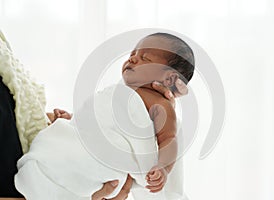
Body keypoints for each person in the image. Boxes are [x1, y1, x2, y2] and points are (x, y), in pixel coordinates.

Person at [0, 30, 184, 199]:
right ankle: (41, 176)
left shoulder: (160, 103)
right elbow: (98, 120)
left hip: (107, 156)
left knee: (79, 165)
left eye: (145, 58)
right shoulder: (115, 92)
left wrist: (163, 168)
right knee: (55, 146)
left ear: (168, 78)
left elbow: (169, 139)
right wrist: (74, 120)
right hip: (79, 143)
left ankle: (49, 182)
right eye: (132, 55)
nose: (133, 60)